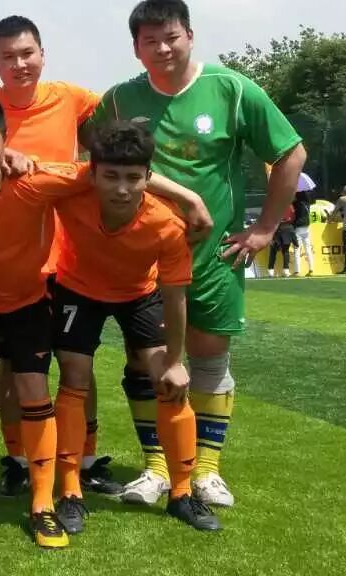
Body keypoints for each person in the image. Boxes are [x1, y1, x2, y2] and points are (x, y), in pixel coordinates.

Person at [0, 95, 205, 549]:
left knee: (35, 390)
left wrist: (188, 196)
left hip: (27, 300)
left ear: (5, 141)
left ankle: (45, 503)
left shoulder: (36, 180)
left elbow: (111, 171)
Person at [89, 0, 306, 508]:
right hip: (142, 258)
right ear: (136, 48)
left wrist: (264, 228)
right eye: (150, 41)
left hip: (213, 254)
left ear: (190, 35)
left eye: (171, 37)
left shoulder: (231, 89)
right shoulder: (119, 101)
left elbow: (291, 153)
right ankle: (156, 468)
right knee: (147, 363)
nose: (162, 49)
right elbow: (94, 159)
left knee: (208, 358)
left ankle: (206, 469)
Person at [51, 120, 219, 533]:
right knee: (74, 376)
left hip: (139, 293)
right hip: (77, 289)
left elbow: (175, 297)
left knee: (168, 380)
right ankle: (70, 491)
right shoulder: (69, 192)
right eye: (111, 176)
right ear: (92, 174)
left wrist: (176, 361)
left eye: (133, 178)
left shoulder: (166, 224)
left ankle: (182, 493)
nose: (122, 189)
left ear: (148, 177)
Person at [0, 15, 115, 497]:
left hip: (71, 258)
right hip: (11, 262)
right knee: (13, 365)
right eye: (9, 56)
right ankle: (18, 459)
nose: (20, 64)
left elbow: (117, 122)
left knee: (77, 362)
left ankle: (86, 456)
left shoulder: (72, 98)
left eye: (27, 53)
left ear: (43, 54)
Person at [266, 203, 296, 277]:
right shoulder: (289, 205)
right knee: (285, 251)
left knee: (273, 251)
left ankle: (271, 270)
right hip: (285, 229)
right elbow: (293, 217)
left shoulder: (274, 205)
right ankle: (285, 270)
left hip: (277, 229)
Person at [292, 192, 316, 276]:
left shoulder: (296, 204)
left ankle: (297, 271)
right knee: (308, 249)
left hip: (298, 227)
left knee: (297, 249)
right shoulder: (307, 203)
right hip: (306, 227)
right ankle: (311, 269)